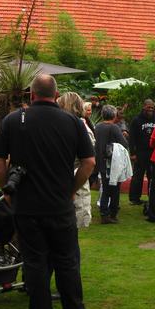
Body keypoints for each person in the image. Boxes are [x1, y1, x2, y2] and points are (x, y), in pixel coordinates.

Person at [0, 74, 95, 309]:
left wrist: (7, 190)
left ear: (31, 95)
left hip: (27, 207)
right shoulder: (72, 122)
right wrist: (71, 189)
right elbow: (89, 163)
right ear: (56, 94)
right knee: (67, 260)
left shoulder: (13, 120)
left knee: (35, 262)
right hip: (60, 205)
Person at [58, 92, 95, 230]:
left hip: (76, 175)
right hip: (66, 177)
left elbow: (88, 158)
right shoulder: (67, 124)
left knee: (75, 220)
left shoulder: (79, 126)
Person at [94, 104, 129, 224]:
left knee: (105, 189)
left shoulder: (98, 126)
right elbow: (124, 143)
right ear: (114, 115)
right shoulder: (114, 127)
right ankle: (112, 213)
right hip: (112, 162)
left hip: (100, 161)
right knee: (114, 189)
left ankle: (104, 213)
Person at [128, 99, 155, 205]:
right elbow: (131, 137)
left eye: (152, 107)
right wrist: (132, 153)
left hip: (153, 152)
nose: (150, 109)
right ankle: (134, 198)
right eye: (148, 107)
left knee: (153, 176)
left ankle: (152, 197)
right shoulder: (136, 120)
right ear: (144, 107)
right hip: (140, 152)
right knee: (138, 176)